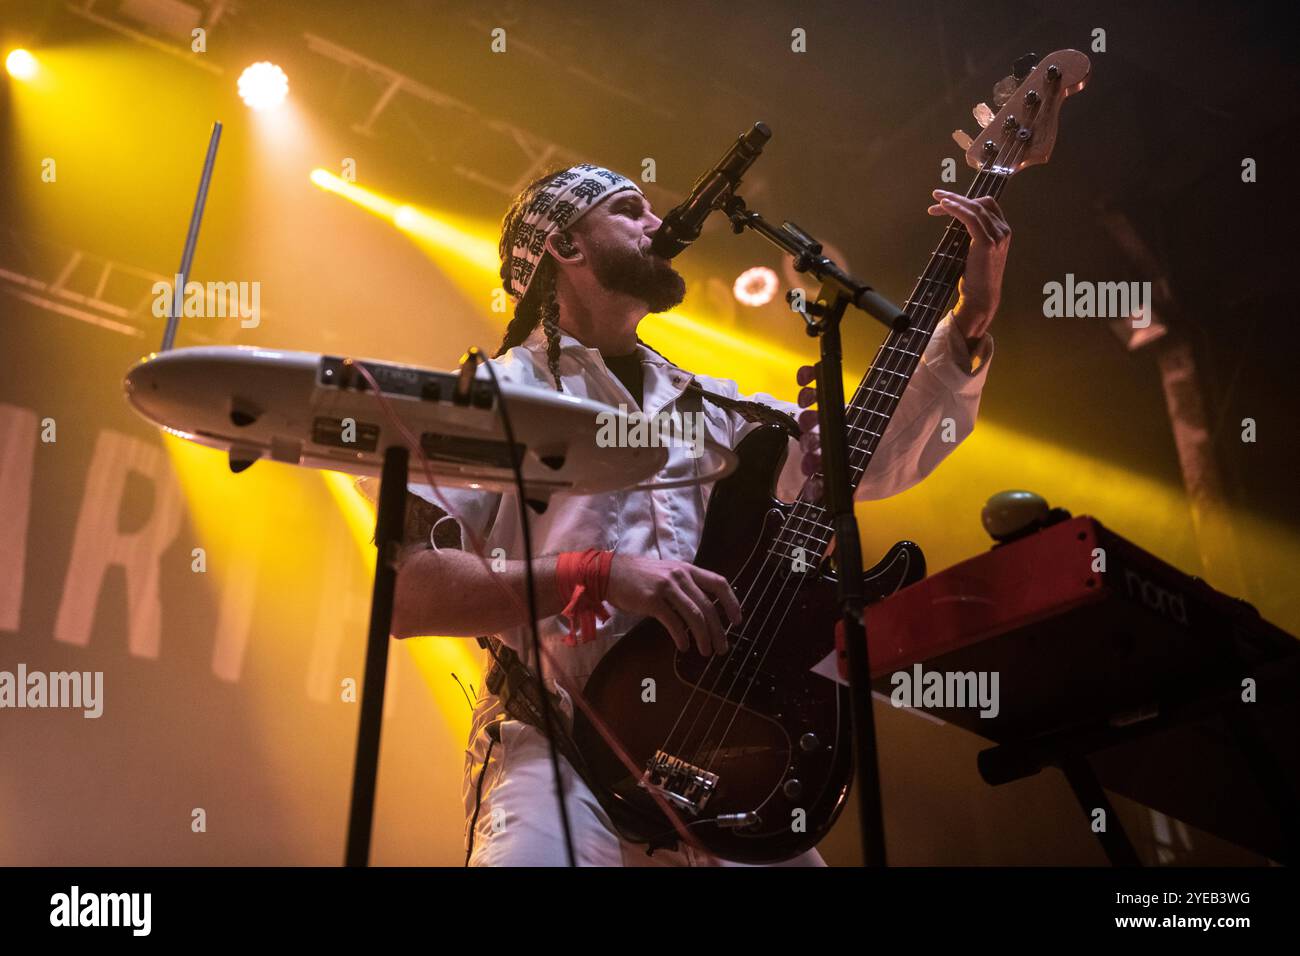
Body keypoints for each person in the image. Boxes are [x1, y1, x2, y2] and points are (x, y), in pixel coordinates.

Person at [380, 162, 1010, 866]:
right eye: (630, 210)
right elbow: (411, 594)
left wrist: (968, 323)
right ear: (564, 247)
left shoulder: (717, 408)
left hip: (723, 740)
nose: (658, 224)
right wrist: (601, 574)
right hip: (552, 733)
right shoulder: (491, 398)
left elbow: (880, 458)